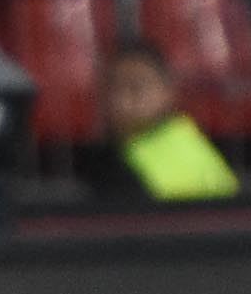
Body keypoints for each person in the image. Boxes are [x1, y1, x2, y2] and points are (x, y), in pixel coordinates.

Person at [74, 40, 239, 203]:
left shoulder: (181, 149)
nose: (121, 100)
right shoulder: (109, 155)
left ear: (168, 90)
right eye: (112, 87)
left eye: (135, 88)